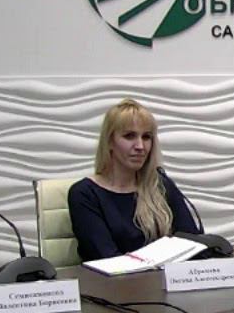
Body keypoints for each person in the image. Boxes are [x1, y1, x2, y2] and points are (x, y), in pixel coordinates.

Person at [68, 98, 200, 261]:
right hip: (117, 277)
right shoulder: (85, 194)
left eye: (146, 137)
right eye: (129, 136)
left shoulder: (160, 185)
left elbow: (192, 243)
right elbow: (107, 259)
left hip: (165, 275)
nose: (140, 146)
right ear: (109, 142)